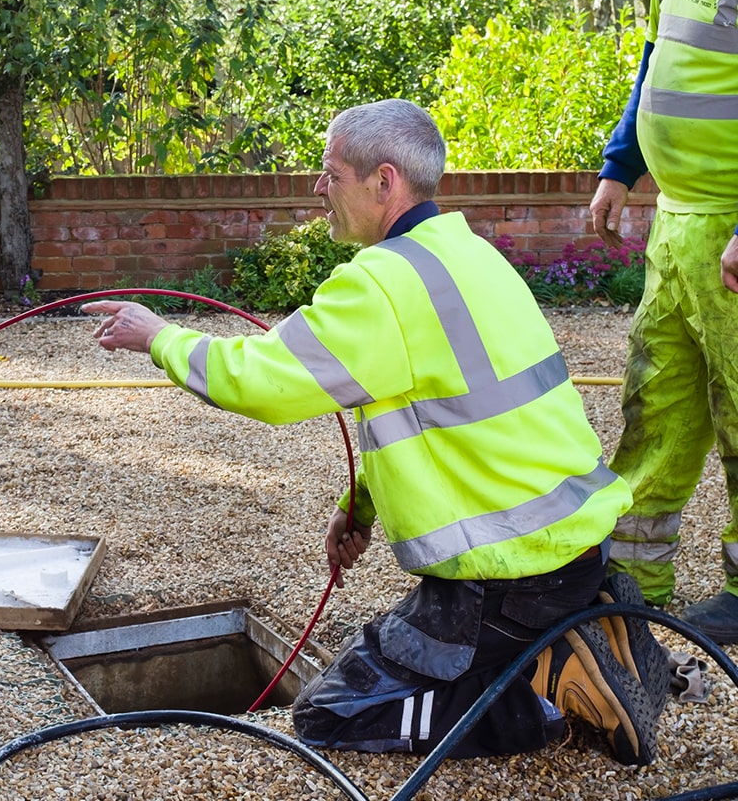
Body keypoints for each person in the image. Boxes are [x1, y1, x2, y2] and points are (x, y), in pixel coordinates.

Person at [83, 98, 669, 764]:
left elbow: (262, 381)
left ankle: (546, 682)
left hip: (510, 577)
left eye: (330, 173)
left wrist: (157, 335)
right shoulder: (468, 255)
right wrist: (357, 506)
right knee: (386, 668)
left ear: (383, 181)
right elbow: (447, 419)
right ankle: (579, 620)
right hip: (567, 550)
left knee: (333, 714)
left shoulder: (385, 284)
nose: (318, 188)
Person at [594, 0, 738, 643]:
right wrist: (622, 168)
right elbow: (656, 66)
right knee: (659, 405)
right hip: (677, 229)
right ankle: (634, 580)